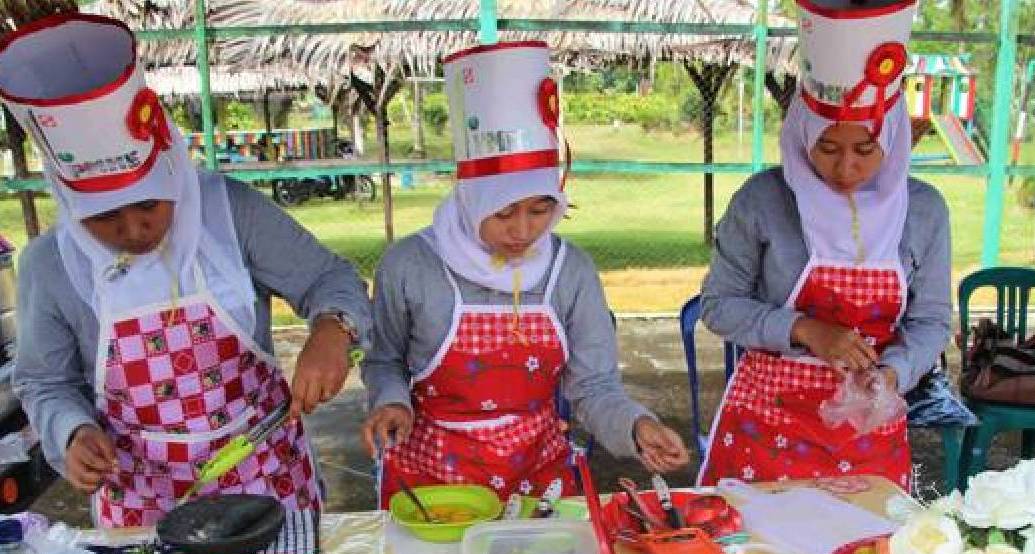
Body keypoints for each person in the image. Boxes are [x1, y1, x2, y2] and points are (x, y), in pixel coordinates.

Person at [2, 13, 370, 527]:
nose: (134, 230)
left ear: (172, 172)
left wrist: (334, 329)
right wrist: (70, 431)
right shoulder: (50, 265)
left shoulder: (230, 212)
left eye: (151, 205)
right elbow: (45, 382)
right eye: (105, 218)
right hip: (141, 501)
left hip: (267, 481)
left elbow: (330, 279)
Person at [361, 41, 687, 506]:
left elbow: (593, 386)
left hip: (539, 476)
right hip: (432, 481)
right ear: (472, 199)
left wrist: (637, 426)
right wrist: (391, 402)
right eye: (504, 212)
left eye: (540, 211)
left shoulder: (569, 271)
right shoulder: (411, 264)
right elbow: (384, 359)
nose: (522, 231)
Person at [696, 0, 951, 489]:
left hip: (869, 428)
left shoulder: (924, 212)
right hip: (765, 430)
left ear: (893, 141)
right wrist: (807, 330)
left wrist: (893, 374)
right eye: (828, 149)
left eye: (865, 150)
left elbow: (931, 322)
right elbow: (719, 306)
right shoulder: (763, 199)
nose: (845, 168)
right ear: (801, 134)